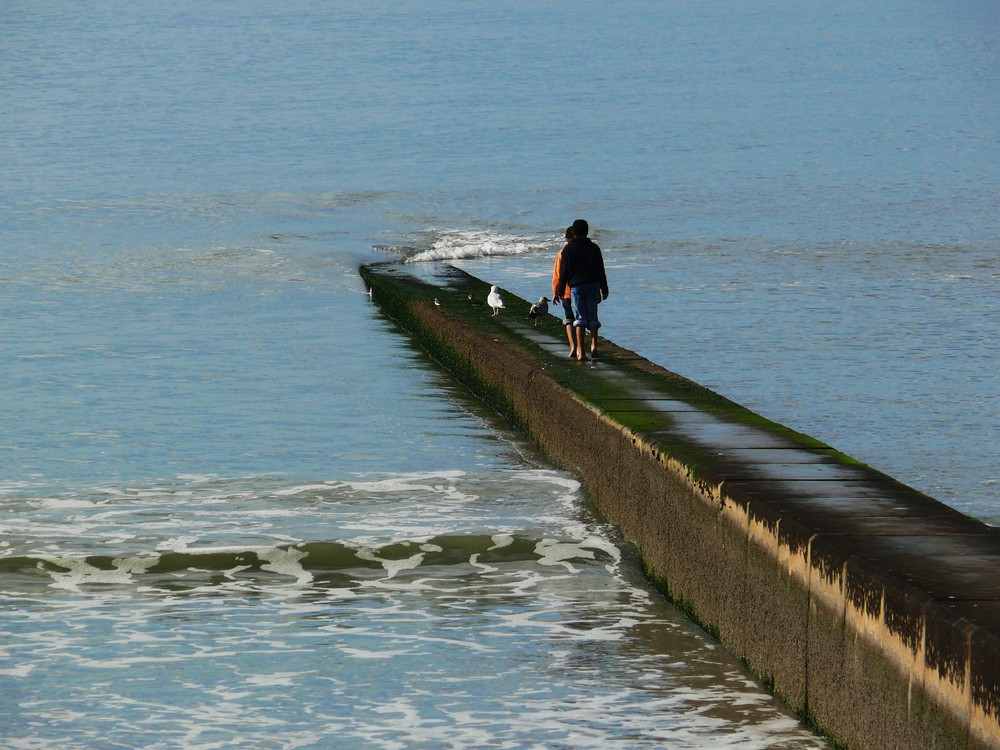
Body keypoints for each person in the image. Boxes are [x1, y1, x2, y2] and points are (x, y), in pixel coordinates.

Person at [553, 219, 608, 361]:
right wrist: (604, 288)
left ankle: (581, 352)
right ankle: (594, 345)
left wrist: (559, 289)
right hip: (591, 285)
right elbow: (600, 270)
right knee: (593, 316)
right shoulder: (594, 248)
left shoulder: (568, 249)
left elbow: (564, 272)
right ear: (587, 231)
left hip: (575, 287)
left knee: (580, 319)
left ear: (572, 232)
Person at [551, 226, 577, 358]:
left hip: (565, 291)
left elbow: (557, 275)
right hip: (579, 290)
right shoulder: (580, 252)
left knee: (568, 319)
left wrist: (556, 292)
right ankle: (580, 348)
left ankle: (573, 346)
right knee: (580, 320)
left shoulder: (561, 253)